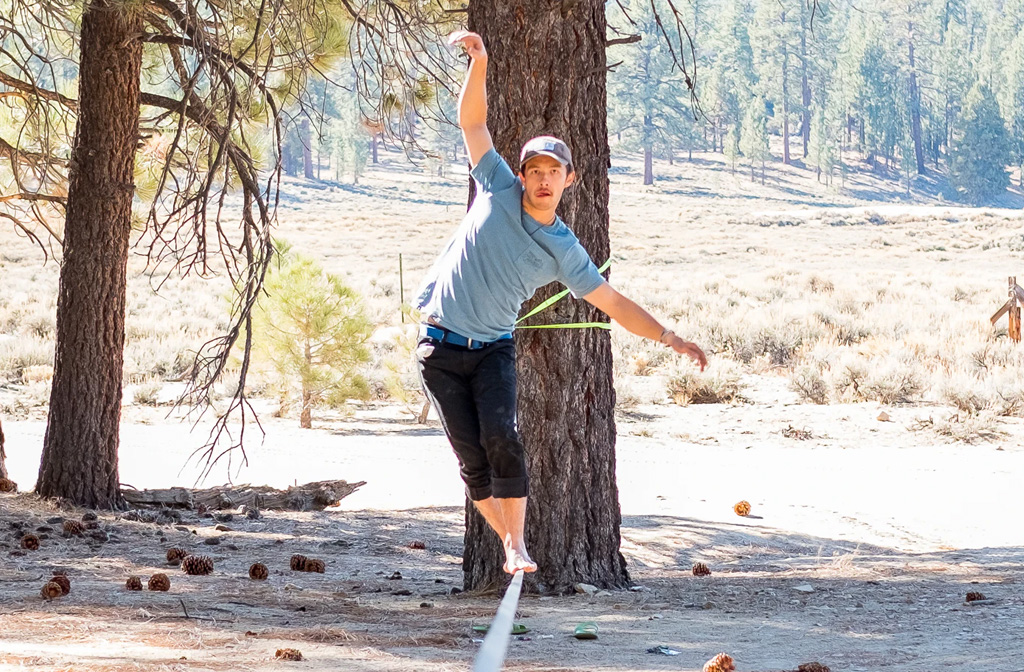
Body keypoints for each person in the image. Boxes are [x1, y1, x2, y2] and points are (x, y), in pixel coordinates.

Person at [414, 30, 707, 575]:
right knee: (470, 460)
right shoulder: (498, 188)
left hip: (493, 350)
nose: (543, 180)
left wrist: (670, 337)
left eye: (553, 172)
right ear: (521, 175)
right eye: (535, 171)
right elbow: (473, 125)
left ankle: (516, 545)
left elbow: (612, 302)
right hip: (437, 343)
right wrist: (480, 61)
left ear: (569, 179)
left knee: (502, 436)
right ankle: (508, 545)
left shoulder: (565, 249)